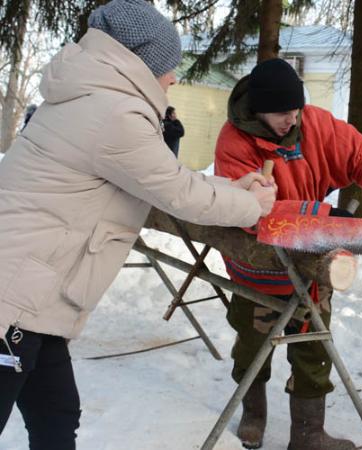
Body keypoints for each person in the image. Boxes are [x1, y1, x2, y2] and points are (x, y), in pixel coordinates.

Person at [0, 1, 276, 448]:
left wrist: (236, 190)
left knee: (56, 415)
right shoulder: (115, 113)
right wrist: (253, 205)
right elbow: (177, 192)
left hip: (35, 293)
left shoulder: (94, 95)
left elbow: (160, 177)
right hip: (15, 295)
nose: (174, 78)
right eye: (170, 67)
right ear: (144, 64)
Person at [214, 58, 362, 450]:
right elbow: (250, 211)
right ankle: (253, 414)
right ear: (258, 110)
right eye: (281, 113)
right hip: (257, 264)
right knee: (253, 344)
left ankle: (308, 435)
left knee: (313, 346)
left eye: (296, 110)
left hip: (308, 266)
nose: (292, 120)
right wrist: (323, 215)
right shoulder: (234, 143)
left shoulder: (313, 123)